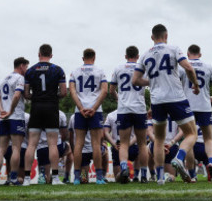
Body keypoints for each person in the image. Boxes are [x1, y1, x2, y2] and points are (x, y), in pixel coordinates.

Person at [132, 24, 200, 184]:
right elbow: (189, 68)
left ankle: (160, 178)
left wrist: (154, 81)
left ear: (152, 37)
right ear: (166, 35)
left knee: (159, 139)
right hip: (175, 97)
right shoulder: (173, 49)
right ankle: (179, 157)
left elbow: (135, 80)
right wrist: (195, 84)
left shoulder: (144, 55)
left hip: (157, 101)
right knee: (191, 134)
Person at [23, 44, 67, 186]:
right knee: (53, 144)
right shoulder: (57, 70)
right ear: (51, 55)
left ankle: (26, 178)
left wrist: (36, 97)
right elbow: (64, 92)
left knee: (31, 144)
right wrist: (52, 97)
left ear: (39, 53)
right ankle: (54, 178)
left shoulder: (30, 71)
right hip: (51, 108)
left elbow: (26, 93)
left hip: (36, 107)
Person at [178, 44, 212, 183]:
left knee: (189, 139)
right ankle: (210, 162)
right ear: (200, 54)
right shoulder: (208, 66)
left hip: (188, 106)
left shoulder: (182, 66)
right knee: (209, 138)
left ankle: (192, 174)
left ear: (187, 53)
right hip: (204, 106)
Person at [109, 46, 149, 184]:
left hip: (124, 108)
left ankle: (124, 168)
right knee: (142, 144)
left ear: (126, 56)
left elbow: (111, 90)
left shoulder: (118, 68)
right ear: (138, 56)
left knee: (124, 144)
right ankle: (144, 175)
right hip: (139, 108)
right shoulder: (142, 68)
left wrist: (118, 98)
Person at [69, 48, 108, 185]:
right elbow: (104, 91)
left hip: (80, 111)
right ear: (94, 57)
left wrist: (80, 108)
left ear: (83, 58)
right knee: (96, 144)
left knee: (78, 144)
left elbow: (72, 91)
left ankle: (77, 178)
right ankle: (98, 178)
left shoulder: (75, 71)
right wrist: (94, 108)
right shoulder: (100, 71)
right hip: (95, 110)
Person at [0, 57, 29, 185]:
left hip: (4, 118)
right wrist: (10, 111)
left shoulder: (4, 79)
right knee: (16, 148)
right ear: (22, 66)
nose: (27, 70)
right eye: (26, 67)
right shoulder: (20, 78)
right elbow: (17, 95)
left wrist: (2, 110)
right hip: (15, 116)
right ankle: (13, 178)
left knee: (1, 149)